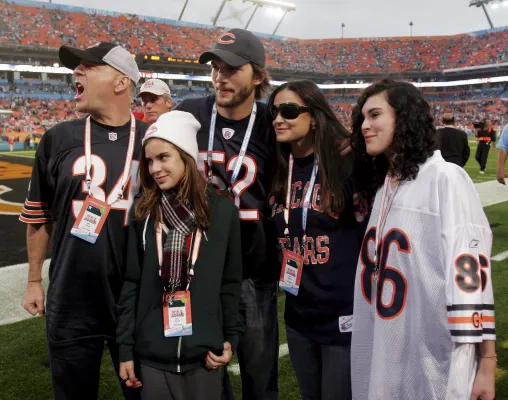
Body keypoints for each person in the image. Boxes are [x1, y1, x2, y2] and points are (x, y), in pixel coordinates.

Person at [350, 79, 496, 400]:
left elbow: (472, 277)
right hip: (387, 340)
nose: (364, 125)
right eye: (362, 117)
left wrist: (486, 361)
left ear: (404, 118)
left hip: (435, 351)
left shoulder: (445, 178)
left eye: (375, 115)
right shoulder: (387, 183)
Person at [19, 42, 149, 400]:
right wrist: (33, 280)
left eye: (90, 66)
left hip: (137, 296)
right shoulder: (58, 138)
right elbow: (39, 215)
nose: (77, 72)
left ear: (121, 82)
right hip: (72, 293)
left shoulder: (154, 140)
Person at [175, 28, 280, 400]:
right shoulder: (189, 112)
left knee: (259, 376)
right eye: (216, 67)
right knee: (206, 376)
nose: (220, 76)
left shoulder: (272, 122)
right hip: (200, 269)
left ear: (259, 76)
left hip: (254, 270)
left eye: (232, 69)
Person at [116, 111, 243, 400]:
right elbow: (131, 283)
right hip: (152, 355)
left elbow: (230, 283)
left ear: (186, 157)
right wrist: (125, 348)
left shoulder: (223, 212)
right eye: (149, 161)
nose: (155, 168)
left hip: (204, 356)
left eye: (163, 157)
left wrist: (230, 339)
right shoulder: (143, 211)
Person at [267, 80, 370, 399]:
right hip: (298, 313)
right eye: (274, 111)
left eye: (288, 111)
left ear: (314, 116)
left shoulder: (347, 163)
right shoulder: (277, 166)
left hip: (342, 313)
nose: (278, 119)